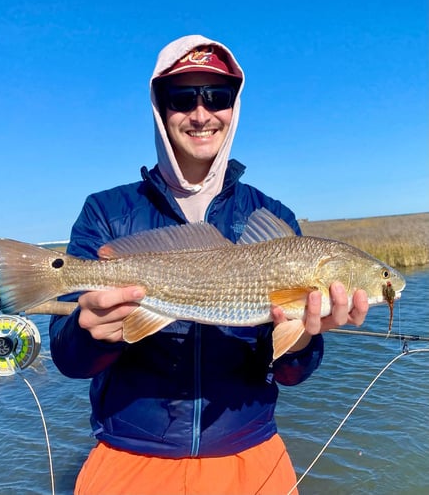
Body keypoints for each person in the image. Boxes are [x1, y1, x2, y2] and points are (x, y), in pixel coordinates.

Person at [49, 34, 369, 495]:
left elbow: (292, 374)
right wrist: (88, 331)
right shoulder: (106, 212)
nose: (201, 114)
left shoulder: (273, 217)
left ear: (233, 107)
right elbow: (68, 359)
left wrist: (302, 342)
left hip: (250, 454)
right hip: (130, 456)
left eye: (216, 96)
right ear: (159, 108)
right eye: (182, 97)